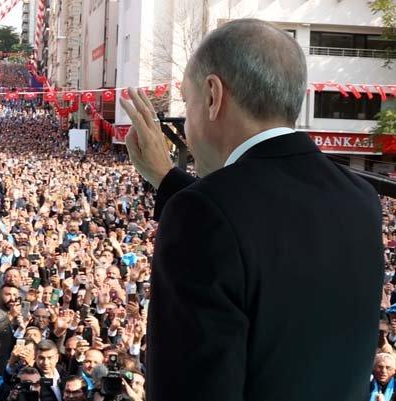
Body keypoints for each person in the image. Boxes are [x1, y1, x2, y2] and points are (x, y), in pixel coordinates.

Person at [119, 18, 383, 400]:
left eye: (188, 102)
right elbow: (266, 236)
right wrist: (167, 178)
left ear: (212, 96)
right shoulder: (360, 198)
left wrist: (184, 198)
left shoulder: (203, 212)